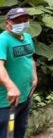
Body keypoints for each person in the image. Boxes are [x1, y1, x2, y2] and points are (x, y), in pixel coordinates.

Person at [0, 7, 37, 137]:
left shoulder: (27, 37)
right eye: (17, 21)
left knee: (20, 129)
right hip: (7, 102)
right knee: (7, 133)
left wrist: (35, 77)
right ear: (8, 23)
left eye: (25, 19)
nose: (22, 23)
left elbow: (30, 58)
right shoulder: (2, 40)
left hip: (25, 96)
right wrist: (10, 86)